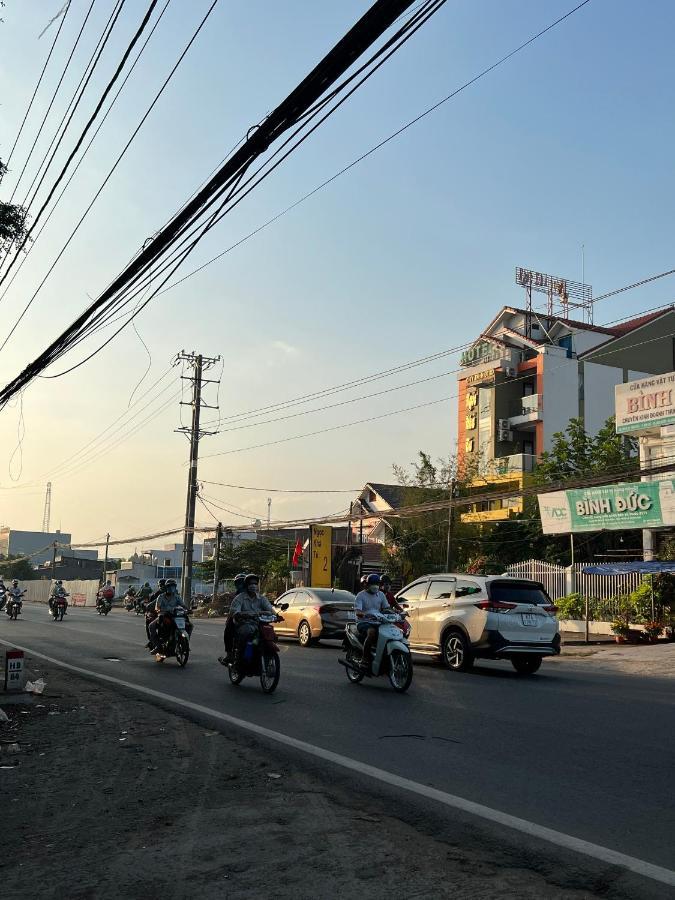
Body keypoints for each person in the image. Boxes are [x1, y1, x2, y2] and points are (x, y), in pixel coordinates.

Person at [229, 574, 275, 660]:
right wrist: (241, 614)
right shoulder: (239, 598)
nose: (253, 586)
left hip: (260, 625)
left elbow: (270, 609)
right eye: (250, 584)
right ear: (246, 585)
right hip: (245, 624)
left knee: (271, 634)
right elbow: (235, 611)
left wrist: (277, 615)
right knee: (248, 637)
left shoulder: (262, 598)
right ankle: (244, 658)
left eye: (255, 584)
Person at [354, 573, 393, 673]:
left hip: (378, 621)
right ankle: (364, 659)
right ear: (367, 584)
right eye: (372, 584)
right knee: (371, 633)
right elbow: (358, 611)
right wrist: (364, 615)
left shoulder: (381, 595)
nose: (375, 586)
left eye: (377, 584)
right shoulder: (360, 595)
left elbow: (387, 608)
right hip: (363, 622)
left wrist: (397, 612)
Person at [147, 579, 184, 657]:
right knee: (151, 626)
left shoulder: (177, 596)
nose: (171, 588)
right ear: (166, 587)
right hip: (163, 615)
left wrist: (188, 609)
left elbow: (183, 605)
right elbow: (157, 607)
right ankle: (158, 645)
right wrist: (159, 610)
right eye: (170, 587)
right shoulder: (160, 596)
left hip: (175, 616)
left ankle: (184, 643)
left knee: (189, 625)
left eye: (173, 586)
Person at [219, 573, 247, 666]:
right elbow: (232, 610)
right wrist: (229, 619)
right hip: (238, 618)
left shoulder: (255, 594)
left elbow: (263, 605)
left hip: (253, 618)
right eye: (238, 583)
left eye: (242, 582)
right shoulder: (236, 596)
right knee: (228, 630)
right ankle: (229, 654)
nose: (241, 585)